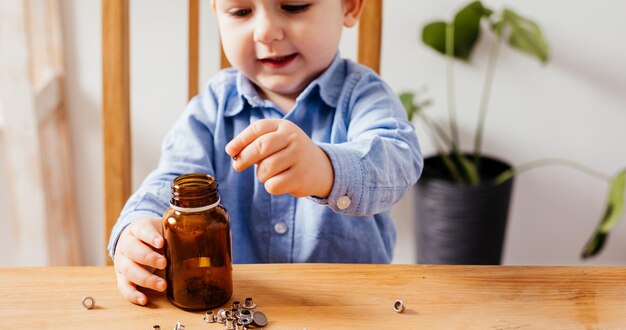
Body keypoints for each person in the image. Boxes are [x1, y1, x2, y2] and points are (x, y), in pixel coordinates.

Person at [109, 0, 423, 305]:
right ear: (218, 12)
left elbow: (398, 159)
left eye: (295, 6)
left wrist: (327, 169)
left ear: (350, 6)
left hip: (358, 308)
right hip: (242, 306)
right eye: (241, 11)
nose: (266, 32)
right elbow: (173, 178)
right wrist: (138, 225)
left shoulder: (365, 95)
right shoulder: (212, 106)